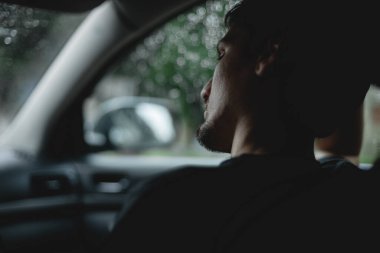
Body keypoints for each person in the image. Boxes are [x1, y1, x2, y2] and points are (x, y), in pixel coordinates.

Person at [101, 1, 380, 252]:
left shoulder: (171, 206)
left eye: (222, 54)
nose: (204, 90)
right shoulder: (357, 202)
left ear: (267, 55)